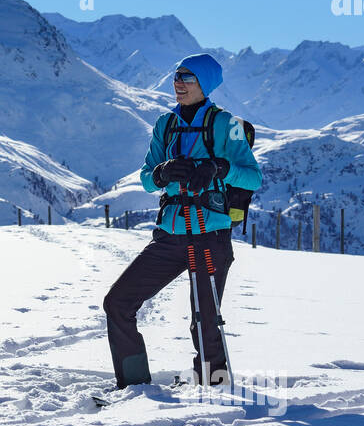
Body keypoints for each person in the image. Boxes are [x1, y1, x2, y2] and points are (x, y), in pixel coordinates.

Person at [103, 53, 261, 389]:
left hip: (209, 236)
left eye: (187, 77)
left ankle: (214, 385)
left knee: (205, 319)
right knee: (118, 302)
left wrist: (221, 167)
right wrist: (161, 173)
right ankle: (133, 386)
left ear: (205, 83)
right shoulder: (165, 124)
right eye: (176, 76)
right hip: (169, 236)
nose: (179, 83)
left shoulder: (226, 124)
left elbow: (253, 178)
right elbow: (146, 179)